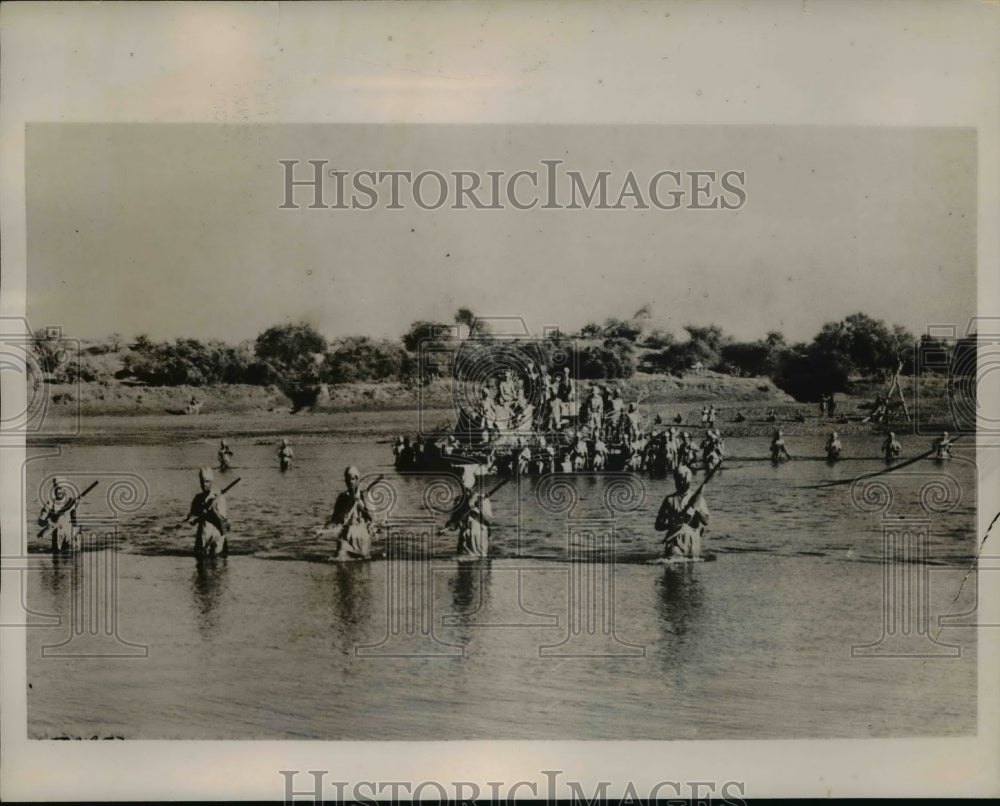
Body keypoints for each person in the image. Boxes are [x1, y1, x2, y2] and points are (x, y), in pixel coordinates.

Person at [654, 466, 709, 559]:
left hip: (692, 541)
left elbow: (706, 521)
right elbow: (658, 526)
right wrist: (671, 525)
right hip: (674, 540)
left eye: (682, 480)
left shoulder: (698, 499)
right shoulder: (669, 500)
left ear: (688, 480)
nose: (680, 482)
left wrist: (696, 508)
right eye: (677, 480)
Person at [324, 466, 374, 560]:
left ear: (357, 480)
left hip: (361, 535)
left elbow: (371, 519)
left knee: (364, 559)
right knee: (338, 557)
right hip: (346, 535)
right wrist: (326, 528)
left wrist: (361, 505)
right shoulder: (342, 498)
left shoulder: (364, 496)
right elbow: (334, 519)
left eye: (352, 479)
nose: (350, 482)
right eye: (347, 479)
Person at [447, 466, 493, 558]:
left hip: (479, 536)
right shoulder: (458, 500)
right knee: (462, 563)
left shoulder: (482, 499)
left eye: (468, 488)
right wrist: (450, 525)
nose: (467, 491)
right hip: (464, 537)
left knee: (481, 562)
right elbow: (454, 522)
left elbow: (489, 520)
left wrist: (479, 506)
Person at [183, 467, 229, 557]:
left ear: (212, 482)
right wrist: (192, 518)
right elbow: (192, 519)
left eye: (207, 482)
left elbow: (224, 524)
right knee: (200, 561)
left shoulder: (219, 498)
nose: (204, 484)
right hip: (203, 535)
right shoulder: (198, 498)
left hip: (218, 536)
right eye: (202, 482)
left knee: (219, 562)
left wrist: (213, 510)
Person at [38, 476, 81, 554]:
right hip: (58, 536)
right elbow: (41, 521)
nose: (58, 491)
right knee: (57, 555)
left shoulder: (71, 502)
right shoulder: (50, 504)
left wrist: (76, 534)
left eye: (60, 488)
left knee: (73, 554)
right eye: (56, 488)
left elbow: (74, 519)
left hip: (70, 535)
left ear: (65, 489)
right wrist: (45, 522)